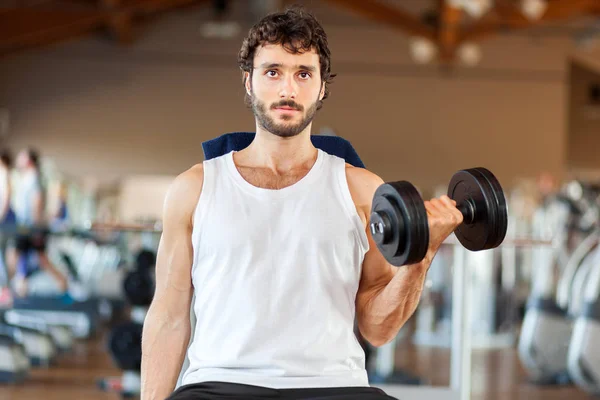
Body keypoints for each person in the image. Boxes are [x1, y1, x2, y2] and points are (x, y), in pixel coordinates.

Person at [140, 7, 463, 400]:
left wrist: (421, 257)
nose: (288, 90)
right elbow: (169, 317)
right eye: (272, 72)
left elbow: (378, 330)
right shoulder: (194, 188)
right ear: (249, 81)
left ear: (322, 87)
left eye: (303, 74)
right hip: (218, 385)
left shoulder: (362, 190)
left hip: (332, 387)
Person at [5, 147, 68, 297]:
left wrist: (35, 229)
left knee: (22, 256)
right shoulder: (27, 178)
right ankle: (19, 288)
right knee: (21, 257)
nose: (19, 158)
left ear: (28, 160)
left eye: (22, 156)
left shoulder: (34, 178)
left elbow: (37, 202)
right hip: (26, 226)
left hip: (29, 227)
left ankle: (63, 284)